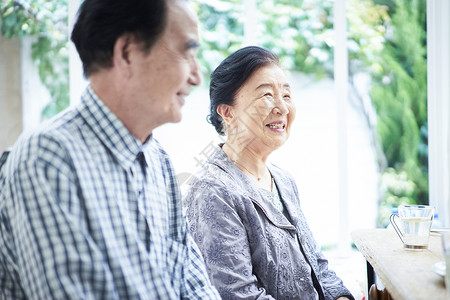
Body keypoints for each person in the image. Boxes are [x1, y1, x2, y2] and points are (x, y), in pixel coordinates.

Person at [0, 0, 221, 298]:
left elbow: (193, 286)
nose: (196, 76)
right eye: (186, 52)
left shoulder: (159, 161)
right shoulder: (49, 157)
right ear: (127, 53)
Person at [184, 46, 354, 300]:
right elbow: (237, 294)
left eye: (286, 95)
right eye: (266, 95)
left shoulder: (283, 180)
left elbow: (316, 266)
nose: (283, 108)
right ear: (227, 111)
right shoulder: (212, 190)